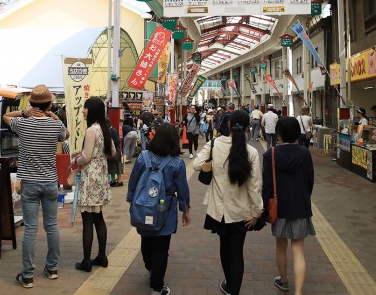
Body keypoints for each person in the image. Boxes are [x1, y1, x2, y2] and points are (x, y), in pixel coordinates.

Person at [4, 84, 68, 288]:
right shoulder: (54, 125)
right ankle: (52, 268)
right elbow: (65, 136)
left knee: (30, 229)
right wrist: (54, 116)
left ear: (31, 103)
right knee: (52, 227)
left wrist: (24, 112)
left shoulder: (22, 123)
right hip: (50, 181)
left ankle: (28, 275)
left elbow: (5, 118)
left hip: (29, 182)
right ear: (49, 104)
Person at [193, 109, 263, 295]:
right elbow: (255, 186)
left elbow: (196, 165)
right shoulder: (252, 152)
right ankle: (234, 291)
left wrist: (210, 160)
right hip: (241, 212)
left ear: (229, 125)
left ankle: (229, 284)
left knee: (224, 248)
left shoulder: (215, 144)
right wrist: (257, 212)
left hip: (219, 211)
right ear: (248, 128)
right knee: (237, 252)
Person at [127, 123, 191, 295]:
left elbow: (133, 181)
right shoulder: (177, 163)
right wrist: (185, 208)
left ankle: (150, 267)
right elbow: (183, 189)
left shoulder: (143, 157)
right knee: (162, 248)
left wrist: (131, 200)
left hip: (144, 207)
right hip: (166, 209)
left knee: (146, 240)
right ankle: (156, 287)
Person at [262, 116, 315, 294]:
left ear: (279, 134)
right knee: (298, 250)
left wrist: (263, 209)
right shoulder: (305, 153)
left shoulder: (271, 154)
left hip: (279, 208)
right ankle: (298, 292)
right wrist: (305, 197)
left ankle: (284, 281)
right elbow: (310, 181)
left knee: (281, 247)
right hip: (300, 206)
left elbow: (267, 185)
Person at [71, 97, 116, 272]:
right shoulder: (104, 128)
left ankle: (86, 261)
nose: (83, 111)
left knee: (87, 219)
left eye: (85, 108)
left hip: (90, 176)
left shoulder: (91, 130)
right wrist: (100, 156)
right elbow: (112, 151)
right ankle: (102, 256)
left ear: (92, 110)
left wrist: (75, 160)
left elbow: (86, 156)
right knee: (99, 217)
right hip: (102, 176)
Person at [107, 119, 124, 187]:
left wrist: (110, 144)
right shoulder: (109, 131)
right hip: (111, 151)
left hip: (116, 151)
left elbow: (117, 141)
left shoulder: (113, 131)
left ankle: (119, 181)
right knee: (111, 166)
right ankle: (113, 180)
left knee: (117, 166)